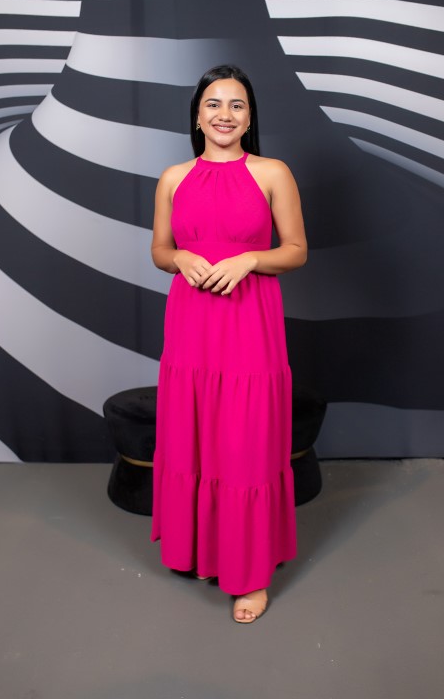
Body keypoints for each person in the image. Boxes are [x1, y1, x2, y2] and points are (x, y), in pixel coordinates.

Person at [150, 65, 307, 623]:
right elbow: (159, 250)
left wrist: (251, 259)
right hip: (191, 324)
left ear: (249, 116)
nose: (224, 114)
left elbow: (296, 250)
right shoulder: (173, 178)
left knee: (245, 441)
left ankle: (250, 573)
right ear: (197, 116)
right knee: (193, 434)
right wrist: (179, 256)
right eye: (213, 104)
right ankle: (201, 547)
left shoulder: (272, 172)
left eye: (237, 105)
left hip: (248, 322)